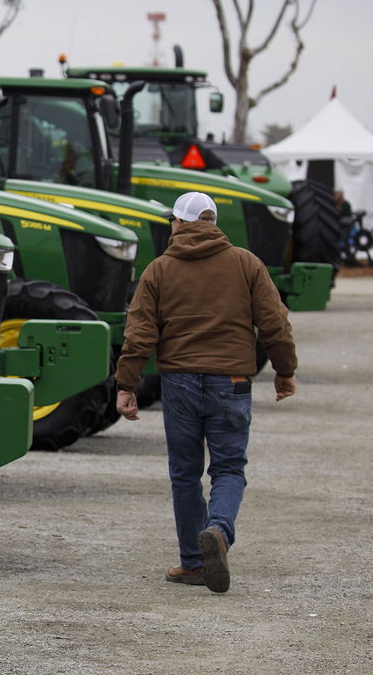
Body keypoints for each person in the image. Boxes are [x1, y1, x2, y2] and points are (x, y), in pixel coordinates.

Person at [115, 191, 298, 594]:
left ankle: (194, 562)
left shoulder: (159, 269)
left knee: (185, 473)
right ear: (213, 223)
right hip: (230, 381)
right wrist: (285, 371)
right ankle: (218, 529)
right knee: (229, 469)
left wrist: (127, 384)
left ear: (178, 224)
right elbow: (274, 323)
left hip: (178, 381)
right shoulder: (246, 263)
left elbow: (140, 331)